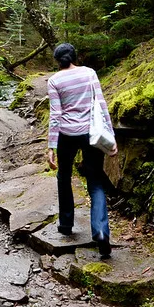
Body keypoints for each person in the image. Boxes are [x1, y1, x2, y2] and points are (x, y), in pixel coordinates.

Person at [46, 43, 117, 258]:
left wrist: (51, 146)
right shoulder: (89, 73)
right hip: (91, 134)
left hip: (66, 135)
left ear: (58, 61)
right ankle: (101, 232)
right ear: (75, 56)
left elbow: (55, 115)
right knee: (95, 180)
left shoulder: (54, 80)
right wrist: (111, 137)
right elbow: (102, 105)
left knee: (63, 176)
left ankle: (66, 224)